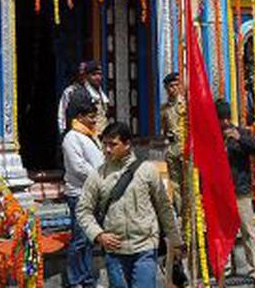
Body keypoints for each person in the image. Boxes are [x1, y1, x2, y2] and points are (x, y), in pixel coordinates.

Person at [76, 122, 183, 288]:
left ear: (127, 145)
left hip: (145, 246)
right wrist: (98, 235)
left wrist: (175, 241)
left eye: (113, 144)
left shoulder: (147, 170)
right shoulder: (98, 175)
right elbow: (83, 211)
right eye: (104, 144)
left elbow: (164, 207)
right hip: (115, 251)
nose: (107, 149)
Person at [217, 99, 255, 285]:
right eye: (221, 118)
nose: (225, 122)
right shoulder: (213, 135)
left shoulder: (241, 133)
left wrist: (239, 138)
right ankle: (226, 267)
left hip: (240, 189)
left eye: (227, 118)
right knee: (224, 231)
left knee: (248, 230)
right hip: (221, 191)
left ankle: (254, 268)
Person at [63, 98, 104, 288]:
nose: (94, 120)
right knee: (79, 240)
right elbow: (78, 166)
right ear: (79, 117)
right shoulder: (72, 137)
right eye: (91, 117)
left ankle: (87, 279)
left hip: (92, 192)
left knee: (88, 239)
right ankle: (76, 281)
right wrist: (100, 175)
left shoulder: (89, 135)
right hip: (79, 193)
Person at [59, 61, 111, 133]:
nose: (98, 77)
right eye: (94, 74)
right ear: (86, 76)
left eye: (99, 74)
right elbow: (65, 116)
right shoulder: (77, 93)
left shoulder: (101, 93)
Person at [160, 72, 185, 209]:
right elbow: (164, 129)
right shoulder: (164, 109)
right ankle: (180, 211)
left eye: (176, 85)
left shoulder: (186, 105)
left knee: (187, 181)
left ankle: (190, 211)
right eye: (170, 86)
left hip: (185, 147)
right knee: (174, 182)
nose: (173, 89)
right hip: (172, 148)